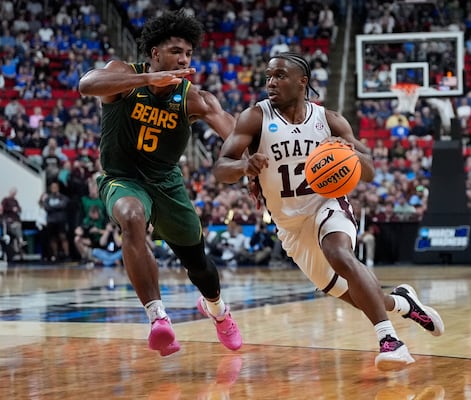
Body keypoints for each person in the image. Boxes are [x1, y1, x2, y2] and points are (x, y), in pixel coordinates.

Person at [212, 52, 444, 371]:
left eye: (279, 75)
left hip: (327, 204)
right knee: (351, 293)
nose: (271, 82)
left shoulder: (329, 120)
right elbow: (220, 169)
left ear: (302, 81)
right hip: (290, 226)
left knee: (338, 252)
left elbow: (371, 171)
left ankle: (391, 341)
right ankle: (405, 304)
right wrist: (242, 164)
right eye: (268, 76)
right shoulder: (254, 117)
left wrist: (350, 154)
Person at [78, 10, 241, 357]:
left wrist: (252, 164)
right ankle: (158, 319)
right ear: (154, 54)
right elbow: (86, 85)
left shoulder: (195, 97)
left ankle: (217, 309)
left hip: (166, 183)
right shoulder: (122, 75)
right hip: (122, 178)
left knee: (200, 268)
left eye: (188, 53)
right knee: (131, 216)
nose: (183, 59)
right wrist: (148, 81)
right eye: (175, 51)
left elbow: (233, 134)